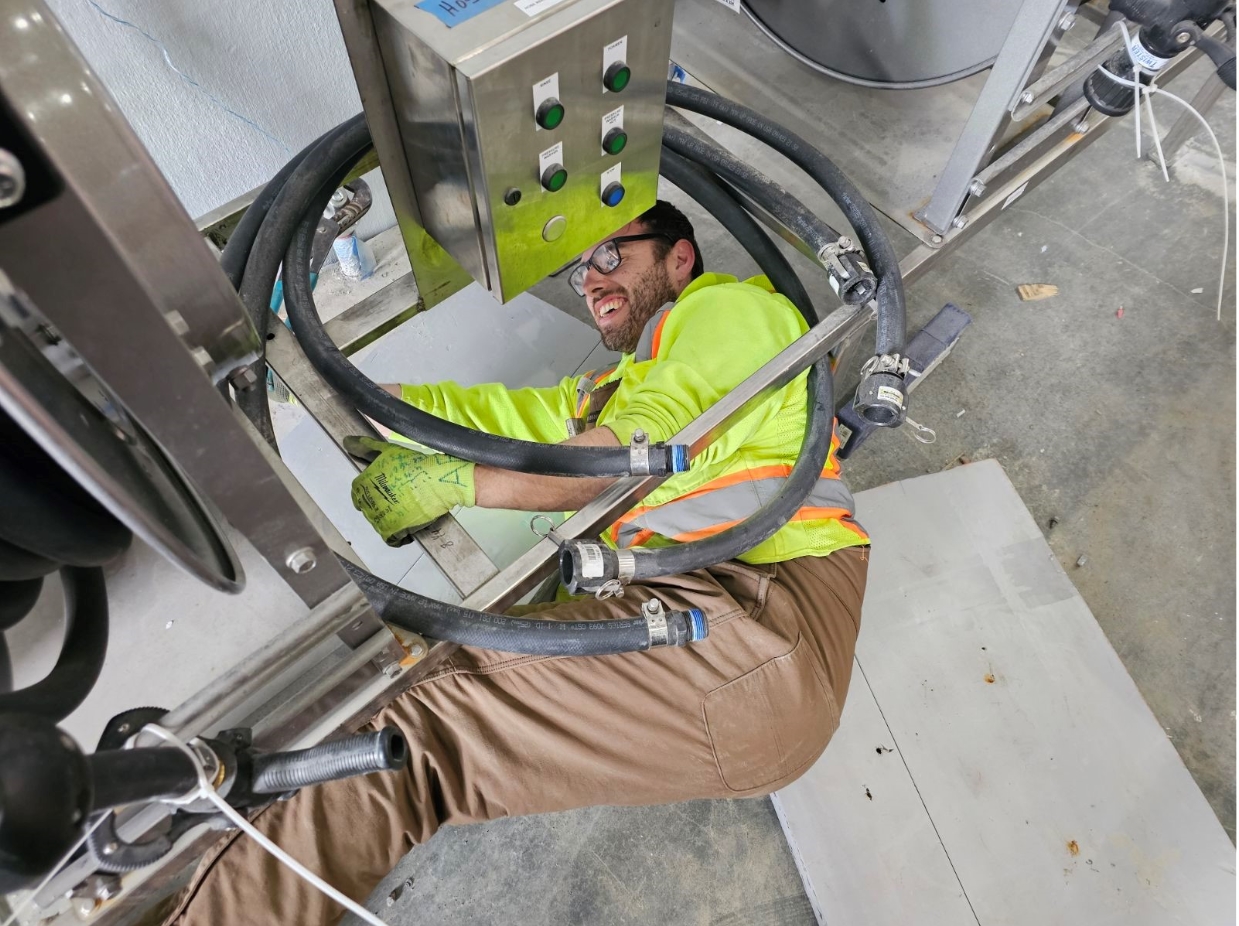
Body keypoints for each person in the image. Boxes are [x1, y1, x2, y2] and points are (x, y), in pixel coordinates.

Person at [163, 201, 869, 925]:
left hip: (756, 625)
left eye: (610, 256)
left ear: (679, 257)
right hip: (736, 661)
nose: (591, 283)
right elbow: (490, 419)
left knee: (408, 735)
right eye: (579, 275)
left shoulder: (729, 310)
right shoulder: (619, 384)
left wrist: (459, 484)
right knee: (410, 724)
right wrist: (331, 393)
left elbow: (625, 459)